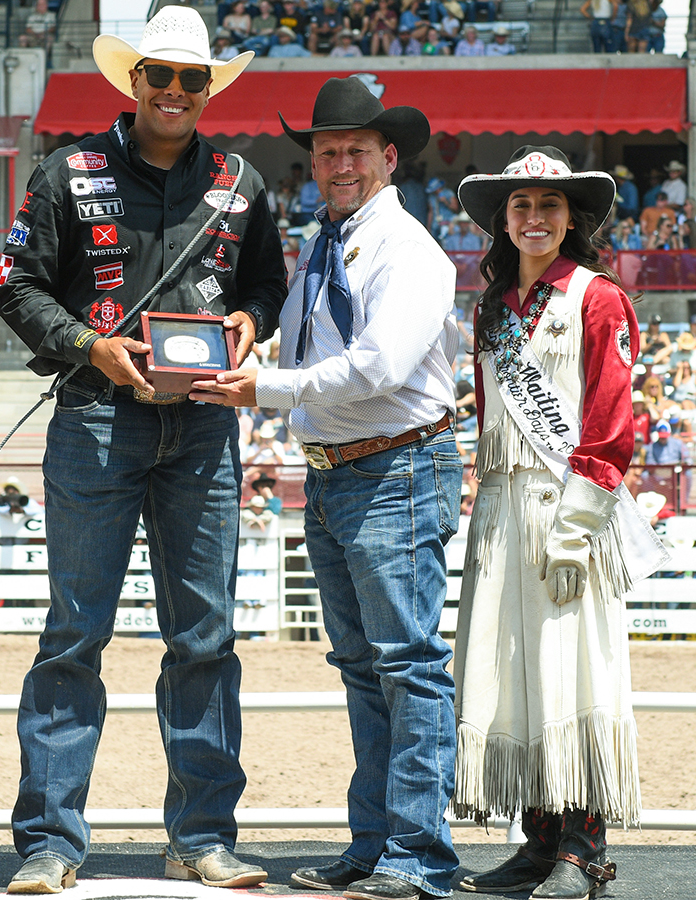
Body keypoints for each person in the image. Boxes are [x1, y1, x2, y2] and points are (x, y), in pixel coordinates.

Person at [0, 8, 284, 893]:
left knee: (204, 636)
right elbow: (16, 287)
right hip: (93, 417)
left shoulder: (244, 183)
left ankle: (202, 837)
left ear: (207, 90)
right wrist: (91, 348)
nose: (175, 91)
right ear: (133, 81)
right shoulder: (65, 172)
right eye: (161, 75)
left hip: (201, 423)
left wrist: (250, 322)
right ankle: (49, 842)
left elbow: (268, 284)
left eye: (192, 80)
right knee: (74, 633)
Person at [191, 76, 462, 900]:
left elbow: (378, 365)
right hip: (350, 469)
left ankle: (418, 855)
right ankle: (380, 844)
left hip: (393, 464)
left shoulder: (407, 248)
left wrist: (262, 388)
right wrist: (248, 332)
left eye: (353, 150)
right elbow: (322, 346)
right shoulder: (332, 242)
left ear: (388, 157)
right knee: (370, 666)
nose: (338, 163)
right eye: (326, 151)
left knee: (405, 665)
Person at [449, 146, 666, 900]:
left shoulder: (599, 299)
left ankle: (584, 848)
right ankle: (538, 843)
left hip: (569, 510)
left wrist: (575, 529)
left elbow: (610, 424)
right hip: (504, 512)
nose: (533, 218)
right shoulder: (491, 308)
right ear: (503, 221)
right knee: (514, 674)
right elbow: (488, 421)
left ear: (571, 218)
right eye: (520, 206)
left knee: (573, 674)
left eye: (548, 205)